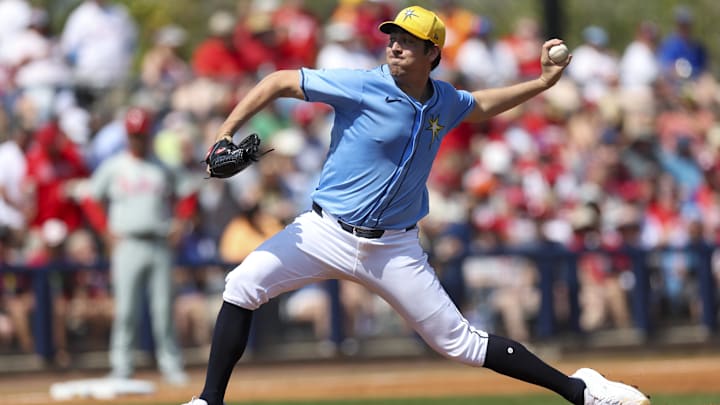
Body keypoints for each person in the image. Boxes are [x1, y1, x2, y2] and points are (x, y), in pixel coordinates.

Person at [183, 6, 650, 405]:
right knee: (242, 284)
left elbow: (482, 104)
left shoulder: (444, 99)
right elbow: (280, 80)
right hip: (324, 232)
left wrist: (542, 83)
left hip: (393, 249)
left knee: (459, 343)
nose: (396, 45)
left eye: (410, 40)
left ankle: (581, 392)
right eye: (393, 36)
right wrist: (225, 133)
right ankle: (209, 400)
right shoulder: (361, 85)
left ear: (433, 54)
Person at [82, 107, 195, 385]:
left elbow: (189, 192)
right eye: (133, 135)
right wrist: (104, 231)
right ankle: (122, 366)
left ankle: (170, 364)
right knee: (126, 310)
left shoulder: (162, 165)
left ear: (149, 134)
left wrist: (180, 223)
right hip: (127, 243)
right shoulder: (115, 165)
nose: (137, 140)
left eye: (141, 135)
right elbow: (89, 198)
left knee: (163, 309)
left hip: (158, 242)